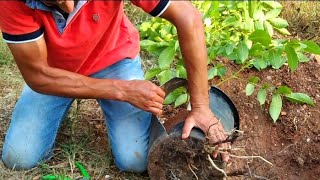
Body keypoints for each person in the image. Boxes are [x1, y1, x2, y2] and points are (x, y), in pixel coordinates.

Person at [0, 0, 229, 173]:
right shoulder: (11, 3)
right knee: (18, 157)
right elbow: (38, 75)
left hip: (113, 58)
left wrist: (200, 106)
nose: (68, 6)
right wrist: (122, 90)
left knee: (135, 160)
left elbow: (187, 16)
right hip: (54, 73)